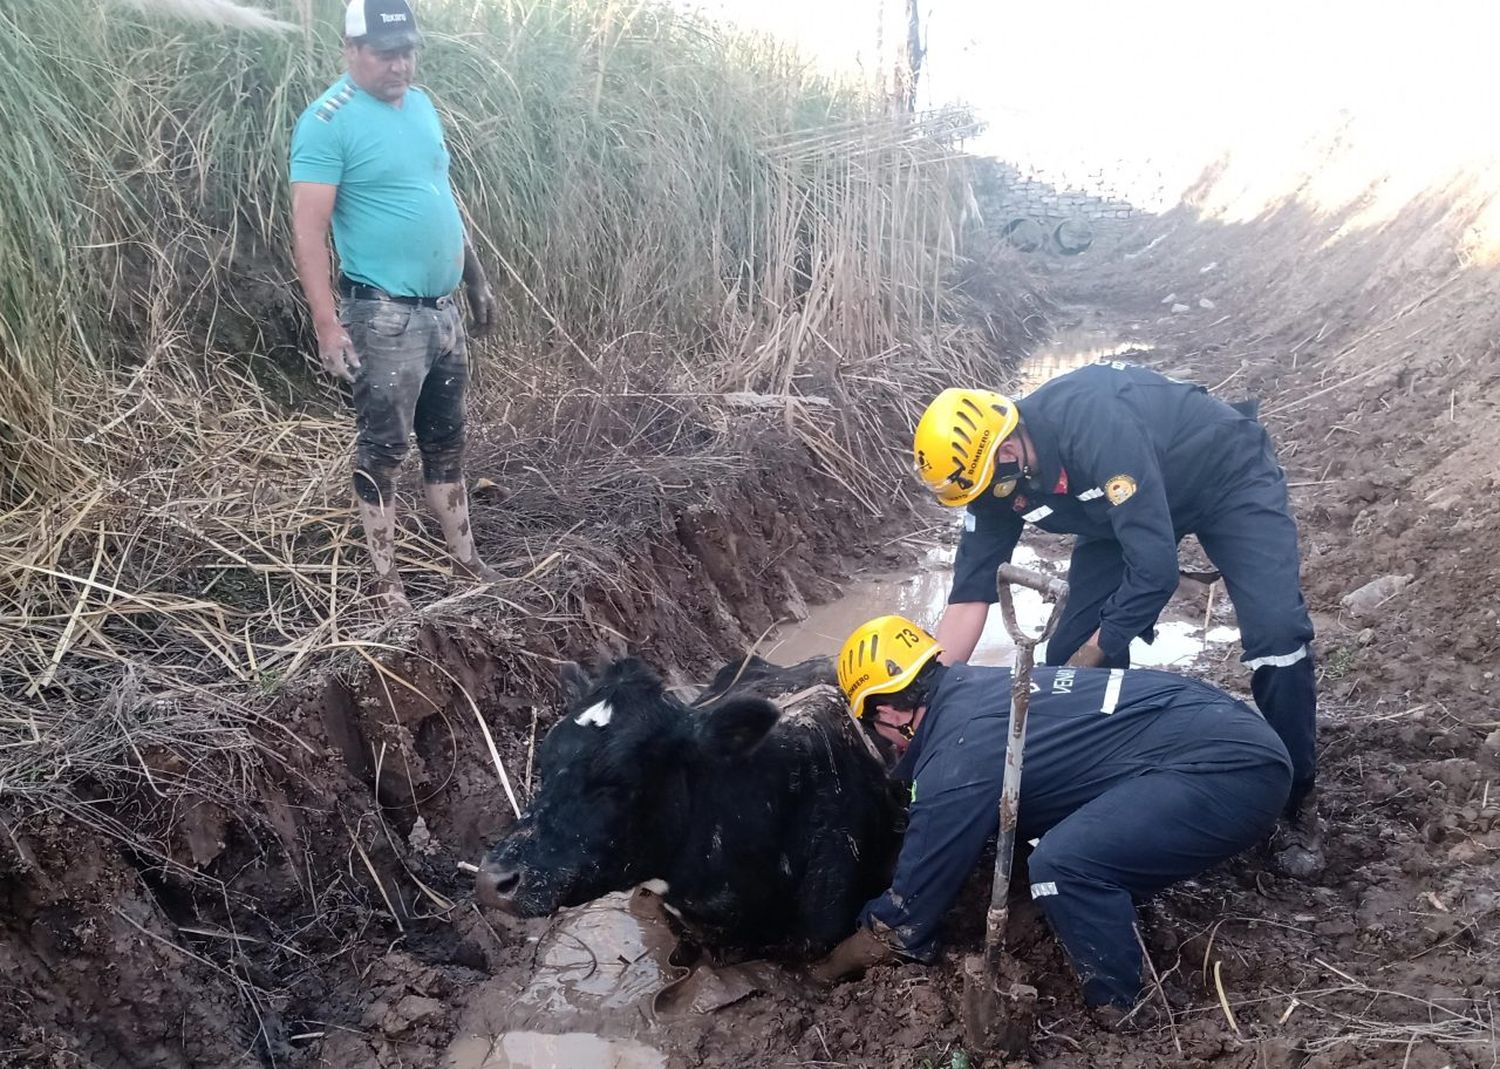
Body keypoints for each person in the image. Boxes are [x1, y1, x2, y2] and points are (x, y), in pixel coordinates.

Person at [911, 361, 1322, 877]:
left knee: (1276, 635)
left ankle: (1296, 795)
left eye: (986, 490)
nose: (985, 505)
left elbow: (1154, 571)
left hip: (1223, 477)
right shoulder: (989, 480)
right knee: (1064, 661)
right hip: (1116, 515)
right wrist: (922, 697)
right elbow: (969, 597)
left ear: (1009, 451)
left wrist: (1095, 652)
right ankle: (1116, 778)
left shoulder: (1093, 422)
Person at [810, 615, 1291, 1021]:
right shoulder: (981, 687)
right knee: (1059, 843)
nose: (885, 740)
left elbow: (905, 921)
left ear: (892, 711)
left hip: (1233, 773)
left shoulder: (957, 762)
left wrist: (826, 969)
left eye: (874, 724)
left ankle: (1121, 1009)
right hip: (1222, 725)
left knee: (1062, 866)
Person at [290, 0, 499, 610]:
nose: (400, 64)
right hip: (383, 317)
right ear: (351, 50)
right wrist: (328, 326)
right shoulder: (328, 122)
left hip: (442, 311)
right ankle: (387, 584)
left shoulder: (423, 106)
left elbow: (443, 197)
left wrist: (476, 277)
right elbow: (308, 231)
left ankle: (466, 561)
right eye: (386, 54)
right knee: (383, 448)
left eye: (408, 50)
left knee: (447, 441)